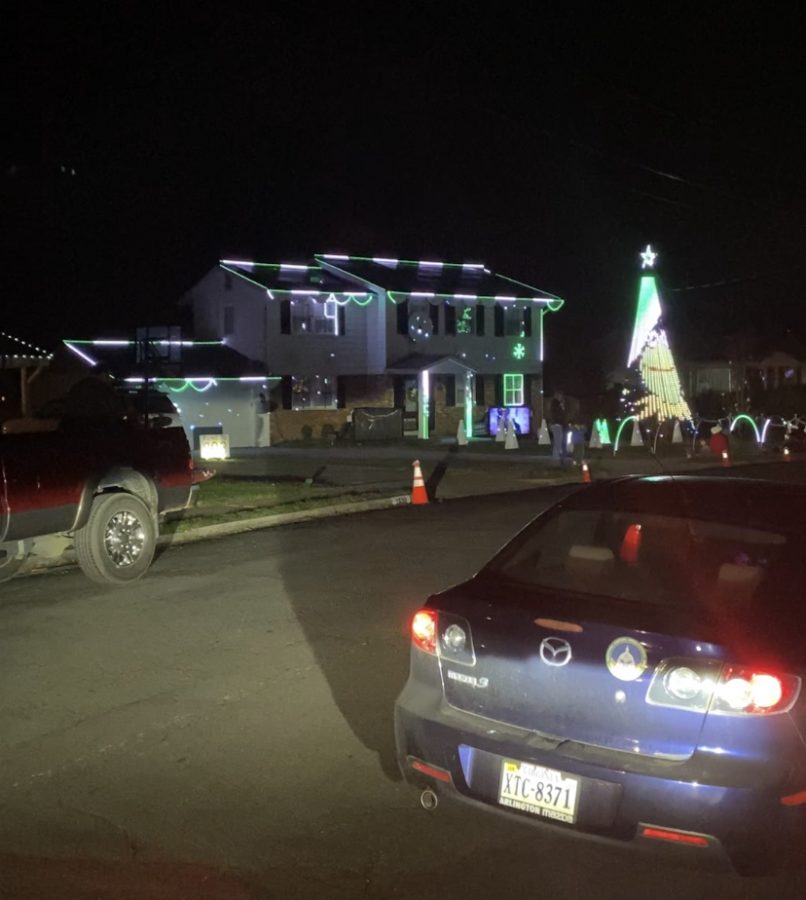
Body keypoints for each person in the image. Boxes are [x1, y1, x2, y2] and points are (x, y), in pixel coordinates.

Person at [548, 390, 567, 462]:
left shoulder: (555, 404)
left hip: (556, 424)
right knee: (558, 441)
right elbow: (559, 415)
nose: (562, 398)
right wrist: (562, 407)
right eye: (561, 396)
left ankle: (556, 456)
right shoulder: (556, 404)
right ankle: (556, 457)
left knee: (558, 440)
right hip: (556, 424)